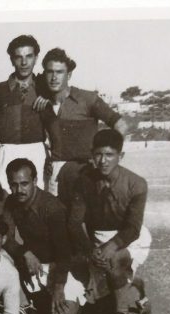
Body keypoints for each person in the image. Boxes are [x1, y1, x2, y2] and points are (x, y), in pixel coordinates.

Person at [69, 129, 151, 314]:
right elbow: (75, 222)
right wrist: (90, 250)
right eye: (98, 154)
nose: (103, 161)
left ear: (120, 156)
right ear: (92, 155)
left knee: (114, 261)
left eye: (109, 155)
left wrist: (110, 247)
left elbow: (133, 228)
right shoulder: (83, 182)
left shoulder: (137, 183)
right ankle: (135, 284)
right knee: (102, 297)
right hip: (98, 239)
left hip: (129, 238)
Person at [3, 158, 85, 314]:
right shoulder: (11, 202)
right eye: (14, 185)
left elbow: (64, 252)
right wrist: (24, 252)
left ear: (35, 181)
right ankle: (26, 303)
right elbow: (5, 237)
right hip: (34, 264)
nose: (19, 190)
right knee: (0, 255)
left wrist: (59, 287)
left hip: (61, 267)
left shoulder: (51, 207)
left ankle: (82, 301)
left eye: (24, 184)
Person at [39, 48, 129, 205]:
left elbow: (121, 126)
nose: (54, 77)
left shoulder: (88, 99)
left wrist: (105, 158)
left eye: (59, 72)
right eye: (50, 72)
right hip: (55, 176)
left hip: (86, 172)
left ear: (69, 75)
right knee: (56, 217)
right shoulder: (42, 103)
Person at [0, 35, 62, 199]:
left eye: (29, 56)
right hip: (7, 155)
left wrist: (52, 160)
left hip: (38, 156)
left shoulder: (46, 88)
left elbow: (56, 131)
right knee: (7, 204)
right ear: (12, 60)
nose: (24, 62)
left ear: (36, 58)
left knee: (37, 205)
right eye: (19, 57)